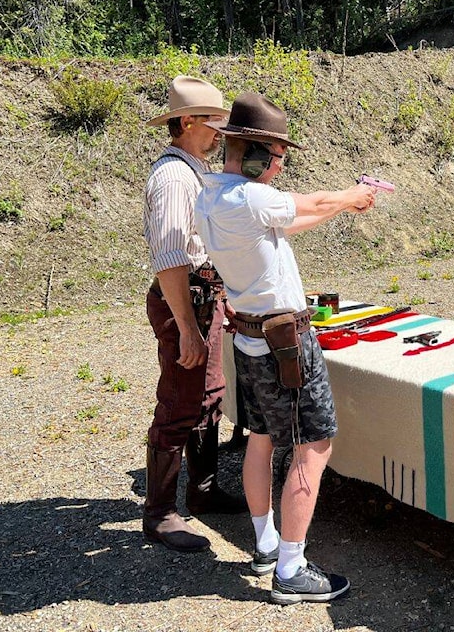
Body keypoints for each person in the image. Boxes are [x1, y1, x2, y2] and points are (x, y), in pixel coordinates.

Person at [194, 92, 376, 604]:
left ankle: (267, 543)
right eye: (274, 156)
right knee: (312, 445)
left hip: (251, 335)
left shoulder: (212, 194)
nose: (277, 166)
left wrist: (341, 206)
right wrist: (349, 194)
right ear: (251, 153)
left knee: (258, 437)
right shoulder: (250, 196)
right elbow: (309, 202)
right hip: (286, 343)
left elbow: (289, 219)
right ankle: (292, 570)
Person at [141, 76, 248, 554]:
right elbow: (169, 258)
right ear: (187, 122)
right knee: (181, 403)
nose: (219, 133)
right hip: (187, 301)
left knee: (209, 397)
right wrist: (186, 327)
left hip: (204, 298)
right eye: (212, 123)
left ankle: (202, 494)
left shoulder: (192, 171)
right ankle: (159, 514)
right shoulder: (171, 177)